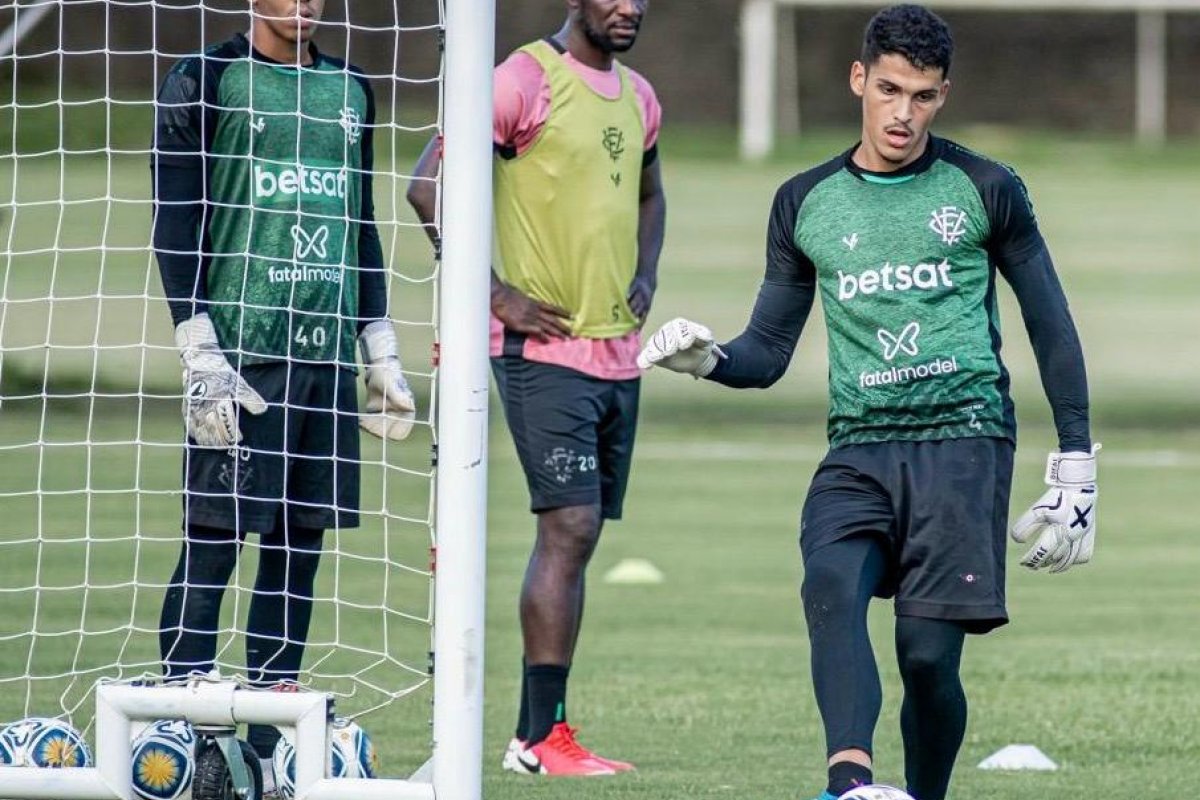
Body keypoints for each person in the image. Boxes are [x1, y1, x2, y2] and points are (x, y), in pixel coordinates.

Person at [639, 5, 1096, 799]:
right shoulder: (804, 200)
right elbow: (768, 352)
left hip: (964, 441)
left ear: (942, 95)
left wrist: (1077, 463)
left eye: (922, 96)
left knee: (926, 657)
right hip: (858, 447)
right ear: (859, 80)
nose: (902, 113)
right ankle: (849, 785)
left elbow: (1050, 323)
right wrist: (710, 359)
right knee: (828, 583)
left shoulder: (986, 188)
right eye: (889, 90)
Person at [150, 0, 416, 787]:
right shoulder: (206, 79)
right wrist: (197, 345)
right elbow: (176, 220)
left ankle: (267, 749)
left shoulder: (352, 89)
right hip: (241, 357)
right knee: (214, 544)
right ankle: (189, 736)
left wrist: (378, 344)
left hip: (325, 360)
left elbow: (360, 222)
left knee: (299, 553)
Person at [408, 0, 664, 778]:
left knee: (579, 534)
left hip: (616, 351)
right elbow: (427, 186)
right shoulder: (521, 80)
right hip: (539, 349)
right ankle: (540, 738)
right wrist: (494, 294)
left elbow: (650, 194)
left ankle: (536, 738)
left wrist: (647, 274)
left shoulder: (641, 96)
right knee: (570, 525)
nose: (629, 7)